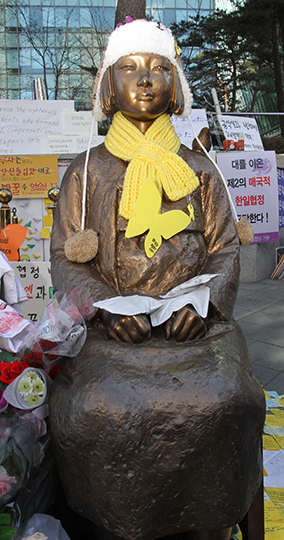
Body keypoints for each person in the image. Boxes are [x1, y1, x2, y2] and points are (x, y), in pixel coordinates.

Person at [50, 19, 265, 540]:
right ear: (108, 87)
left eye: (158, 69)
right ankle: (109, 524)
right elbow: (66, 257)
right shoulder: (84, 171)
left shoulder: (200, 167)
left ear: (176, 89)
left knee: (228, 396)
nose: (144, 80)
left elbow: (223, 247)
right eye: (129, 68)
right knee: (99, 405)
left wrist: (204, 303)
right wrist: (103, 308)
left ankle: (211, 521)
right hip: (111, 337)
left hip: (196, 331)